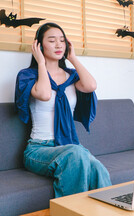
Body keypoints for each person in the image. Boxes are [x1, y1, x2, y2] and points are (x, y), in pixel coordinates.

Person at [15, 22, 112, 197]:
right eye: (52, 40)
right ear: (39, 45)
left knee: (98, 169)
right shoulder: (28, 75)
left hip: (69, 147)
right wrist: (41, 63)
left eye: (62, 40)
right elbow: (44, 94)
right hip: (39, 149)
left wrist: (73, 58)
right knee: (76, 153)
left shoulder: (72, 77)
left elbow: (91, 86)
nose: (59, 45)